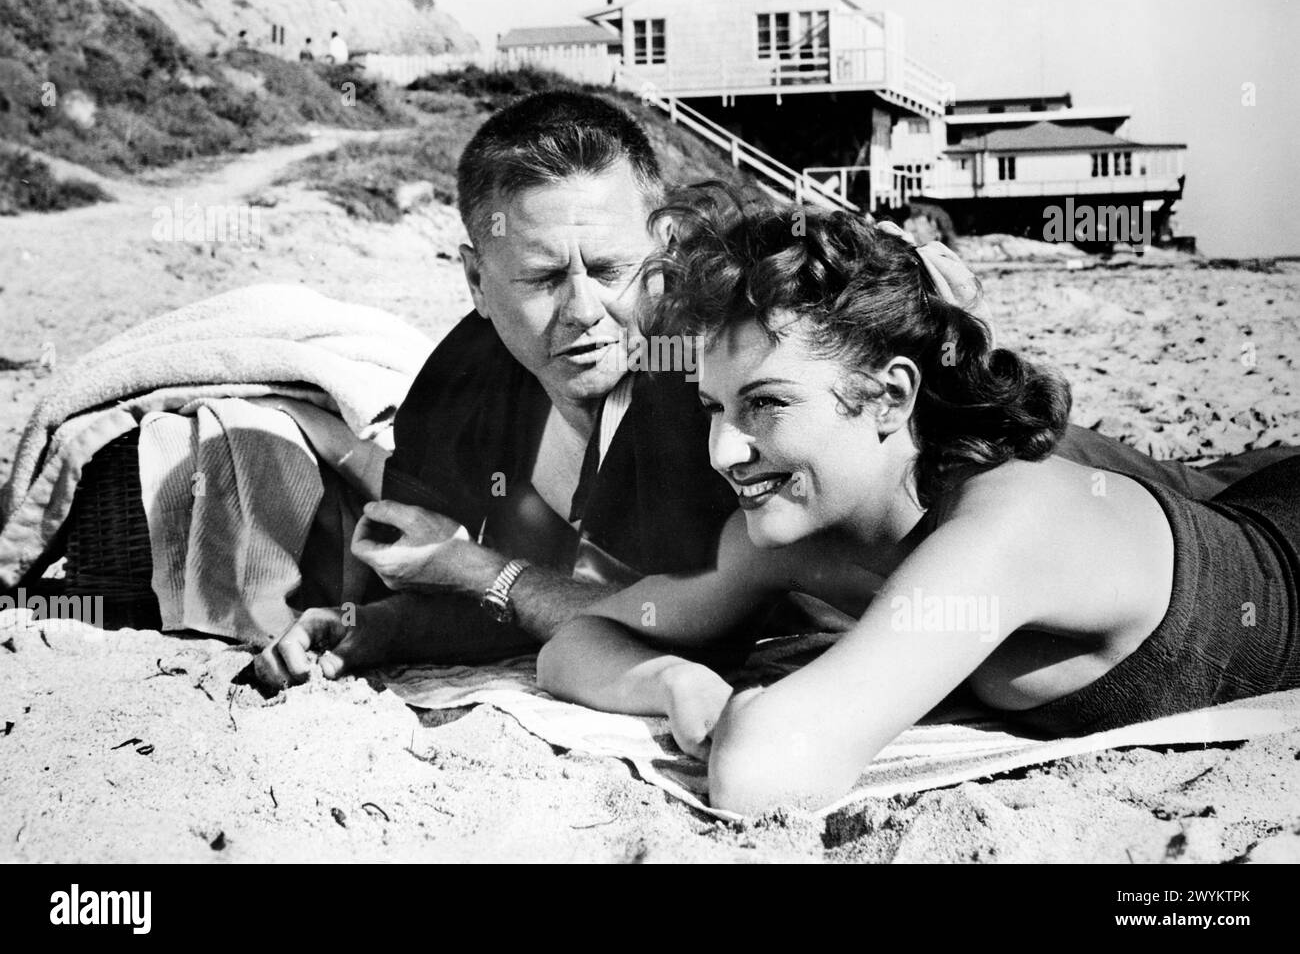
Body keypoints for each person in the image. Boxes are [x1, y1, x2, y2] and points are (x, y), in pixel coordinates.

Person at [254, 93, 1287, 690]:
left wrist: (473, 569)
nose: (582, 312)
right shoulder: (456, 389)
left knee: (1232, 500)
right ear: (473, 281)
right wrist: (375, 630)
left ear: (658, 250)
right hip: (870, 597)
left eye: (608, 270)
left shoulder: (726, 357)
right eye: (535, 280)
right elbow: (512, 599)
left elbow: (650, 612)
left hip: (1058, 498)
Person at [537, 193, 1300, 814]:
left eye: (765, 404)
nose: (723, 451)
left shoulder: (1008, 525)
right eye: (714, 406)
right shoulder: (790, 539)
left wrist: (750, 714)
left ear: (890, 396)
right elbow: (577, 642)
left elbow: (763, 769)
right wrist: (675, 681)